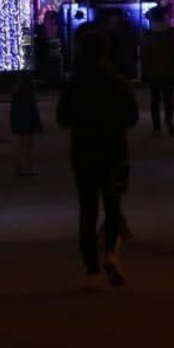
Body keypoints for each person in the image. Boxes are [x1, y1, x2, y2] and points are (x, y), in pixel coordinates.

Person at [56, 28, 138, 288]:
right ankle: (112, 254)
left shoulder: (74, 83)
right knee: (113, 207)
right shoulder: (118, 82)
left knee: (87, 211)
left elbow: (62, 119)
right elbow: (132, 118)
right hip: (114, 151)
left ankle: (91, 270)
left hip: (84, 153)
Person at [139, 6, 174, 137]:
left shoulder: (148, 35)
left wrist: (145, 68)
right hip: (169, 70)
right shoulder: (171, 33)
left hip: (153, 71)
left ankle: (157, 127)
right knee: (168, 98)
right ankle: (169, 120)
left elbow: (144, 54)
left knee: (155, 100)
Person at [9, 70, 42, 176]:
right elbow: (33, 110)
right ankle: (27, 167)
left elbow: (13, 110)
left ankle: (19, 167)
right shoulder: (28, 95)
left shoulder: (17, 93)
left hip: (20, 121)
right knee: (28, 145)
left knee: (21, 144)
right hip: (27, 121)